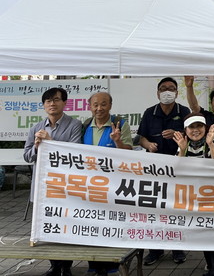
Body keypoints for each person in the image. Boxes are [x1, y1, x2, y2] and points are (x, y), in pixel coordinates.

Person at [23, 87, 83, 276]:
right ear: (43, 105)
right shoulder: (36, 128)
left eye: (56, 100)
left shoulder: (74, 124)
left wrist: (49, 142)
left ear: (64, 103)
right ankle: (55, 266)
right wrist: (37, 147)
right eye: (48, 101)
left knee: (66, 225)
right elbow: (27, 155)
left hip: (65, 185)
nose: (52, 104)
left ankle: (66, 266)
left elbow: (75, 153)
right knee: (47, 225)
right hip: (43, 186)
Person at [137, 77, 190, 265]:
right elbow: (141, 137)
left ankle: (177, 249)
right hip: (154, 169)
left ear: (176, 92)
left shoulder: (184, 111)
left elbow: (192, 135)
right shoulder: (149, 112)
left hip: (177, 168)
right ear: (158, 92)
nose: (167, 91)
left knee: (176, 208)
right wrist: (148, 144)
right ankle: (155, 250)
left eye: (171, 88)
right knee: (155, 209)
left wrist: (177, 135)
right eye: (163, 88)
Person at [82, 92, 133, 276]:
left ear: (110, 106)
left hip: (113, 186)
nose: (99, 108)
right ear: (90, 106)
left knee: (110, 224)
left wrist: (117, 141)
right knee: (90, 223)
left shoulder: (120, 124)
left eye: (103, 104)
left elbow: (129, 153)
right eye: (95, 104)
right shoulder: (85, 125)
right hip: (89, 185)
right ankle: (94, 263)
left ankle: (111, 265)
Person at [173, 115, 214, 276]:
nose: (195, 130)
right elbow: (176, 171)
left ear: (205, 128)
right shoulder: (184, 143)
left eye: (199, 126)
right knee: (205, 233)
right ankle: (211, 267)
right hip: (195, 199)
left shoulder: (213, 139)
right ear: (186, 130)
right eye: (192, 127)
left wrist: (210, 144)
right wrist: (182, 150)